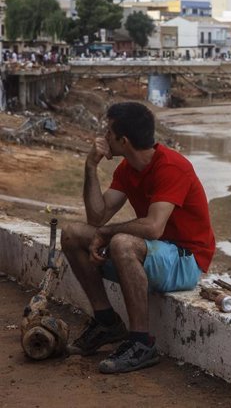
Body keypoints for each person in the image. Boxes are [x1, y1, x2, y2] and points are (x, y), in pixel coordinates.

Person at [60, 102, 215, 374]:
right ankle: (106, 321)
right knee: (72, 234)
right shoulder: (127, 168)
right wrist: (90, 167)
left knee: (121, 242)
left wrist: (107, 234)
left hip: (186, 260)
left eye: (109, 132)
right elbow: (97, 218)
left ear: (124, 141)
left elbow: (154, 227)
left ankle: (141, 343)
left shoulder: (172, 167)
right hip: (155, 253)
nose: (105, 137)